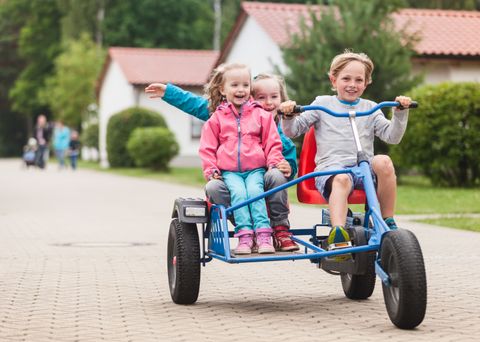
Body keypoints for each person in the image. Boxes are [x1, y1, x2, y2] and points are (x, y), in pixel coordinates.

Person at [279, 50, 412, 258]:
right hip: (332, 171)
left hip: (364, 170)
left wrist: (400, 113)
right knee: (341, 179)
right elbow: (292, 131)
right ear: (334, 80)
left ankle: (387, 221)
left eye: (359, 80)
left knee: (384, 161)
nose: (352, 84)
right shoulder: (322, 104)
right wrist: (288, 115)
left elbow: (392, 137)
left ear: (367, 83)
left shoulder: (371, 108)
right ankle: (338, 234)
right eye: (346, 78)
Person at [144, 74, 299, 251]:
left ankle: (280, 231)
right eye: (261, 97)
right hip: (236, 186)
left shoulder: (283, 131)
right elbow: (197, 104)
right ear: (249, 98)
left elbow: (290, 163)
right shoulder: (228, 116)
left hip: (266, 192)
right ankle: (245, 229)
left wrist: (289, 167)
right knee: (213, 188)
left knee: (276, 174)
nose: (268, 103)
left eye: (274, 97)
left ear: (282, 99)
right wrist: (169, 92)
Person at [198, 63, 285, 255]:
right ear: (222, 89)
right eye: (234, 85)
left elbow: (272, 143)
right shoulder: (216, 119)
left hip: (256, 170)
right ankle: (245, 237)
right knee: (239, 194)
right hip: (230, 173)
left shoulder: (262, 115)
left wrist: (273, 163)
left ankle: (263, 236)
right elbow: (207, 148)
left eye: (245, 85)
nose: (240, 90)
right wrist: (211, 170)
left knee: (255, 192)